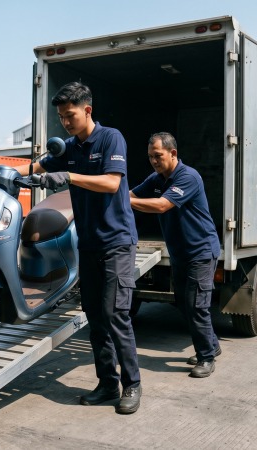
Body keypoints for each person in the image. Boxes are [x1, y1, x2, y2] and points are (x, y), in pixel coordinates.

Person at [15, 82, 142, 414]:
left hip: (116, 242)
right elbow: (33, 168)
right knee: (95, 316)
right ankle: (107, 384)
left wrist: (69, 177)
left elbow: (112, 182)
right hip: (88, 243)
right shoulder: (67, 146)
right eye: (60, 117)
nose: (65, 122)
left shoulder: (110, 138)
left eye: (69, 115)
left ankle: (132, 384)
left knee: (116, 314)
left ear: (87, 110)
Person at [129, 132, 221, 378]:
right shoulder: (157, 178)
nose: (154, 161)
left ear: (173, 153)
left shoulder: (187, 177)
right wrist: (111, 193)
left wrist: (124, 203)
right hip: (180, 252)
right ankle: (211, 343)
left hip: (200, 252)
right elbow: (133, 194)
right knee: (183, 301)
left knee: (196, 305)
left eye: (158, 156)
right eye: (150, 157)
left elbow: (161, 205)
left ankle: (206, 357)